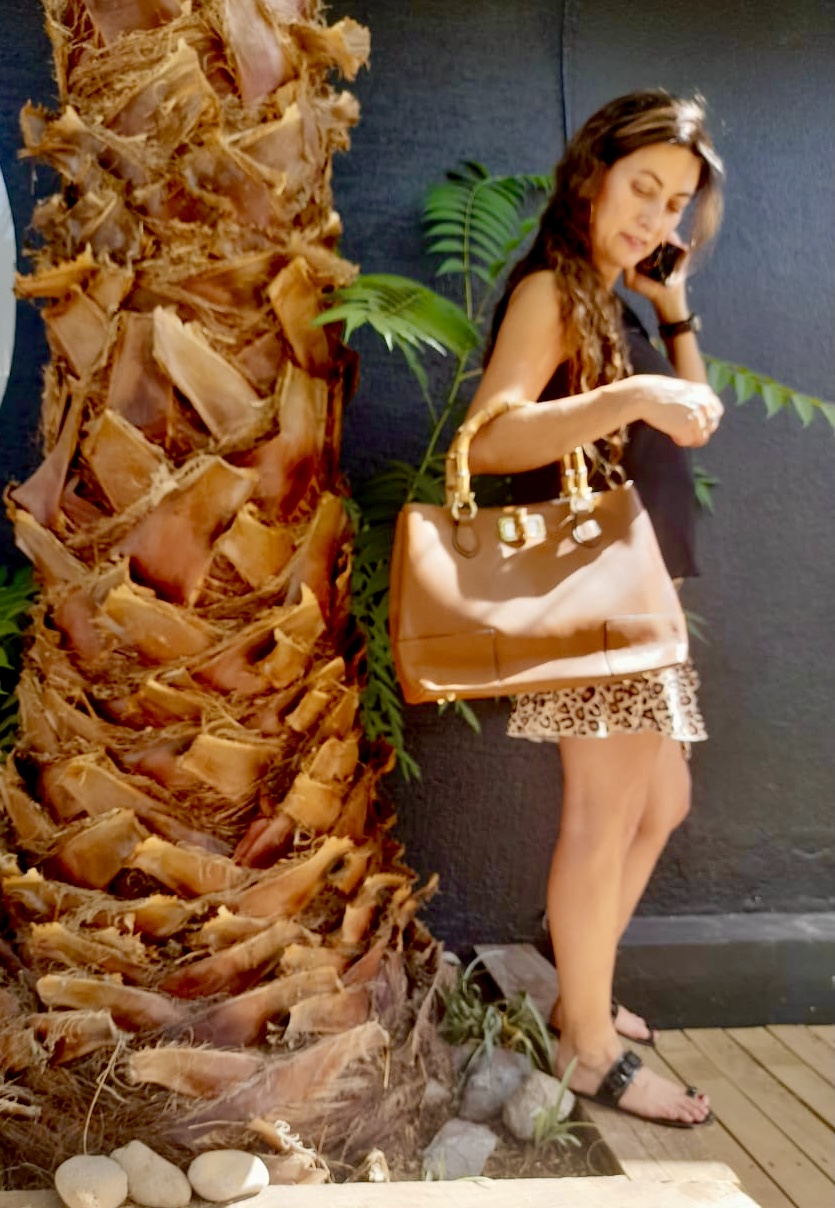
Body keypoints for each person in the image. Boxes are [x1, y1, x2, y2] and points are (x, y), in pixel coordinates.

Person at [462, 90, 725, 1127]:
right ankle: (586, 1047)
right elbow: (490, 438)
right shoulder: (551, 291)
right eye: (640, 189)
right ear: (591, 174)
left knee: (661, 802)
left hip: (640, 592)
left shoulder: (613, 297)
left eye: (674, 204)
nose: (655, 217)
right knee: (603, 813)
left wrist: (673, 311)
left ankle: (575, 986)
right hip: (594, 592)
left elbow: (696, 419)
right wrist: (628, 396)